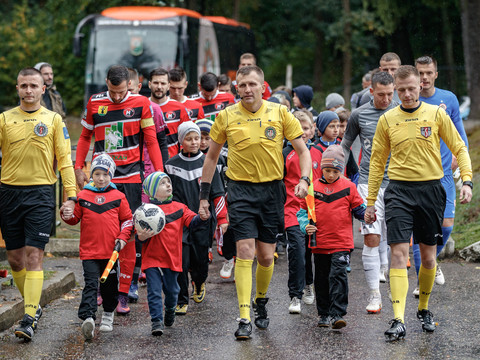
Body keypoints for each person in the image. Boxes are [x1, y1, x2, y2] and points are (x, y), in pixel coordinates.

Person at [198, 65, 311, 340]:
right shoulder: (226, 116)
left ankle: (261, 300)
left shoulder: (280, 113)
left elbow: (303, 151)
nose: (247, 89)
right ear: (236, 88)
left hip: (272, 191)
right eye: (242, 85)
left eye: (252, 84)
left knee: (265, 255)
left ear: (263, 87)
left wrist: (305, 180)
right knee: (245, 251)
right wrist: (203, 197)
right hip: (240, 191)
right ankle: (245, 316)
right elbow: (211, 158)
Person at [365, 65, 473, 341]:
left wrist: (468, 181)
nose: (407, 94)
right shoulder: (388, 120)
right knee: (398, 254)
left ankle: (423, 308)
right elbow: (377, 163)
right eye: (401, 91)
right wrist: (369, 202)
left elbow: (459, 147)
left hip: (430, 191)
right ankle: (398, 318)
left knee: (428, 257)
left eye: (411, 88)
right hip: (399, 191)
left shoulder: (436, 113)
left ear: (420, 86)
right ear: (396, 91)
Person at [75, 65, 164, 315]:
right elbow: (84, 137)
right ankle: (105, 289)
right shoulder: (94, 102)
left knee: (130, 236)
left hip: (131, 178)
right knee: (102, 236)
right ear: (106, 83)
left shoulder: (141, 103)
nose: (116, 97)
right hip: (101, 179)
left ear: (130, 86)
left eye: (121, 92)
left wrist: (159, 172)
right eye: (112, 91)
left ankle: (125, 291)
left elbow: (151, 140)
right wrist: (78, 166)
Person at [0, 67, 76, 341]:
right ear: (17, 89)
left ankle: (29, 317)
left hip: (41, 193)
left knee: (34, 255)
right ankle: (33, 305)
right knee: (15, 259)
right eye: (24, 86)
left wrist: (71, 196)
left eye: (34, 85)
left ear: (44, 89)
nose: (29, 90)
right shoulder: (4, 119)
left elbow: (65, 160)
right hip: (8, 193)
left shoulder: (54, 120)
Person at [341, 71, 398, 314]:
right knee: (371, 238)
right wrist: (339, 172)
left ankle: (397, 292)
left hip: (398, 183)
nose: (386, 99)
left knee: (397, 241)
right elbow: (346, 144)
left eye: (390, 94)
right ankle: (375, 295)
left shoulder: (401, 112)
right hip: (367, 183)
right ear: (371, 92)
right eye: (381, 94)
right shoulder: (359, 114)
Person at [412, 55, 469, 292]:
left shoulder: (449, 99)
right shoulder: (405, 100)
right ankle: (421, 279)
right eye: (420, 73)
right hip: (416, 177)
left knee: (446, 225)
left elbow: (459, 133)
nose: (424, 77)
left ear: (435, 74)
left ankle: (431, 259)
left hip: (444, 174)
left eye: (428, 73)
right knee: (419, 229)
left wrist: (460, 155)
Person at [61, 154, 132, 340]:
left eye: (105, 174)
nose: (101, 178)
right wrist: (65, 214)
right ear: (91, 175)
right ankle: (89, 318)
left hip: (111, 253)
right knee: (91, 285)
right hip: (89, 252)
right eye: (97, 174)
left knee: (109, 287)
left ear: (111, 176)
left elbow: (127, 221)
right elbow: (74, 218)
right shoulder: (83, 196)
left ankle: (108, 314)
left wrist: (123, 238)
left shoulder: (119, 196)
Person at [298, 145, 365, 329]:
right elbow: (303, 212)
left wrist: (366, 215)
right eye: (327, 170)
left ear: (341, 170)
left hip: (342, 242)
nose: (330, 174)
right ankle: (324, 314)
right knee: (321, 279)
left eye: (335, 171)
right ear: (321, 168)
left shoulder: (349, 187)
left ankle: (337, 314)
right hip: (319, 242)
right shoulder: (313, 187)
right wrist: (306, 226)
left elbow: (359, 208)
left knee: (338, 275)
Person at [164, 122, 228, 314]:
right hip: (179, 221)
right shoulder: (171, 165)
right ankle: (181, 299)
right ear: (180, 141)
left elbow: (218, 193)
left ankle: (199, 283)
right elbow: (166, 194)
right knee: (181, 262)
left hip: (203, 219)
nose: (194, 142)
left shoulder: (209, 162)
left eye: (196, 139)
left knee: (200, 260)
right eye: (189, 139)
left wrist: (223, 218)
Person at [137, 171, 210, 336]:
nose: (168, 185)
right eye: (162, 183)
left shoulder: (179, 207)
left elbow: (193, 222)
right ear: (152, 191)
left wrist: (202, 217)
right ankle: (156, 321)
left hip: (172, 259)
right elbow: (138, 236)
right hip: (152, 259)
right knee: (154, 291)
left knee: (172, 291)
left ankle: (170, 309)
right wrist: (141, 237)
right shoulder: (144, 211)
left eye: (168, 182)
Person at [126, 67, 168, 302]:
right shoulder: (113, 110)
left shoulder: (153, 110)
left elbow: (161, 142)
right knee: (126, 228)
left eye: (130, 90)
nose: (127, 96)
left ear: (138, 87)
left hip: (147, 177)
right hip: (124, 177)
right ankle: (123, 279)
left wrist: (161, 173)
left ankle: (137, 277)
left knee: (143, 227)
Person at [283, 110, 324, 314]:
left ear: (313, 129)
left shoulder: (319, 153)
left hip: (315, 212)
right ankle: (295, 295)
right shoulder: (284, 153)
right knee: (297, 250)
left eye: (306, 128)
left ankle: (309, 283)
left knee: (310, 251)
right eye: (298, 129)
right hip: (292, 210)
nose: (303, 132)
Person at [148, 68, 191, 158]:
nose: (159, 87)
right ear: (149, 84)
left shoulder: (180, 108)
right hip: (149, 163)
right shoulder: (143, 107)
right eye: (156, 83)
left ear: (168, 86)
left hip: (174, 163)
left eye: (163, 83)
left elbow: (189, 136)